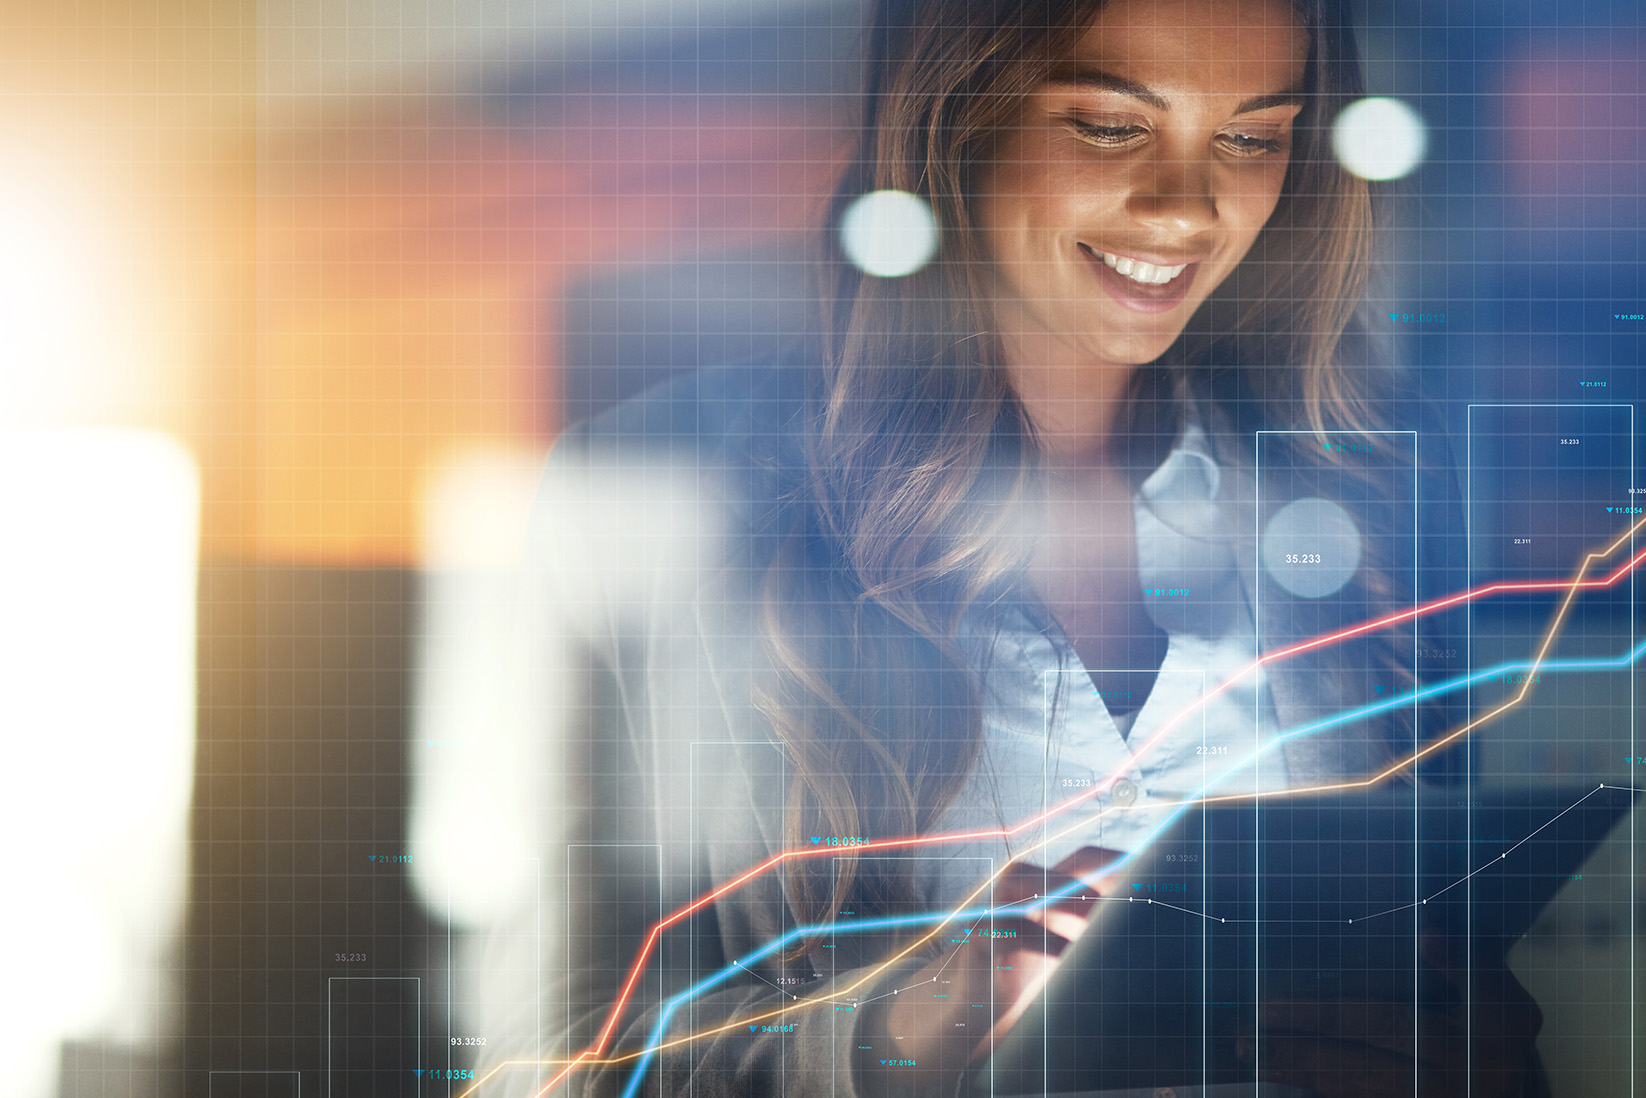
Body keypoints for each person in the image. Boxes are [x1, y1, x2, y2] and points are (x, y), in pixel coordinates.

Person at [498, 0, 1546, 1095]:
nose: (1186, 210)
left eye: (1251, 138)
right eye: (1107, 125)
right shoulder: (650, 509)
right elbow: (547, 1060)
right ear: (955, 113)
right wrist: (896, 1034)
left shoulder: (1370, 508)